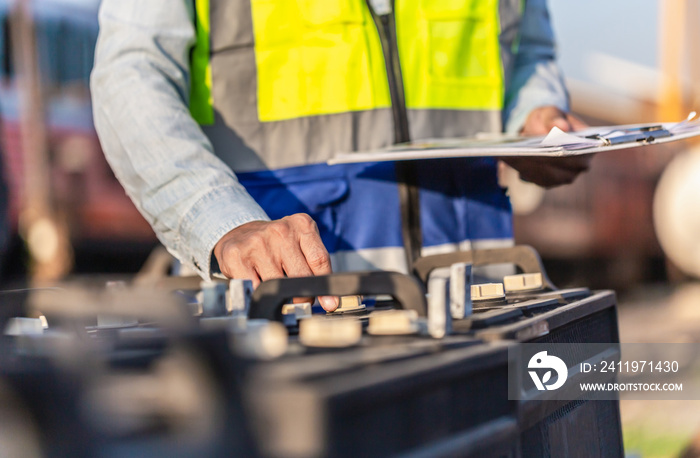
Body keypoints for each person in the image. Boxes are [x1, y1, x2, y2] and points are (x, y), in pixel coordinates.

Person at [91, 0, 590, 312]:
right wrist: (222, 222)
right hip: (289, 313)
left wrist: (536, 115)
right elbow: (132, 75)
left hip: (477, 297)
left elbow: (526, 46)